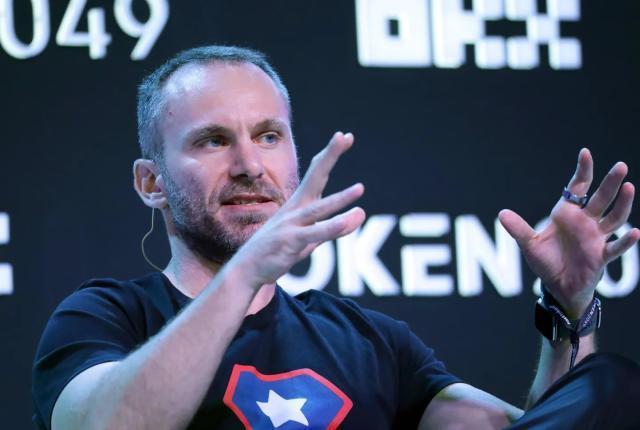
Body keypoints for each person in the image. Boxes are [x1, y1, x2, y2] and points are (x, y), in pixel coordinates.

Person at [32, 45, 640, 430]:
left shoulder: (371, 343)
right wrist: (245, 275)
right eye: (213, 141)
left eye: (269, 136)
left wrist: (569, 308)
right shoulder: (104, 318)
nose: (250, 165)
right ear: (151, 183)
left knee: (609, 386)